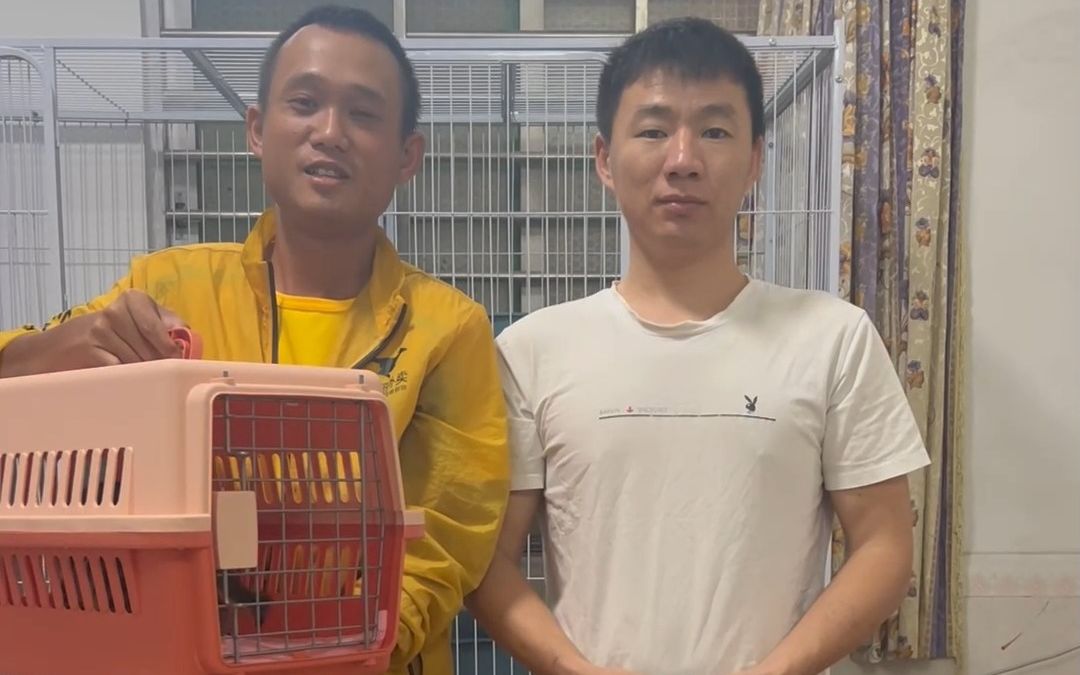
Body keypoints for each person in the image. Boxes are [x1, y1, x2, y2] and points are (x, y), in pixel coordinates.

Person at [0, 6, 509, 675]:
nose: (330, 132)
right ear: (258, 130)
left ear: (406, 156)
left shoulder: (446, 329)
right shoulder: (167, 286)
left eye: (363, 114)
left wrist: (351, 648)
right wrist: (65, 346)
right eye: (304, 103)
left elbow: (448, 536)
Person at [465, 17, 930, 675]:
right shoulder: (532, 351)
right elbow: (487, 563)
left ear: (755, 160)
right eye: (653, 130)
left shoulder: (833, 338)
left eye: (714, 131)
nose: (682, 159)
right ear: (604, 159)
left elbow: (884, 548)